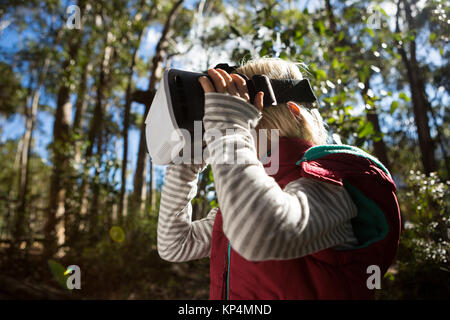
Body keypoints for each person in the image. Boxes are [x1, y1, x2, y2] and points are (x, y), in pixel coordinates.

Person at [157, 57, 401, 300]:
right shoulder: (243, 205)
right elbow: (175, 244)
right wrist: (186, 161)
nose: (238, 127)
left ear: (293, 113)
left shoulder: (329, 186)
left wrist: (229, 128)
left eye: (248, 114)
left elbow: (260, 232)